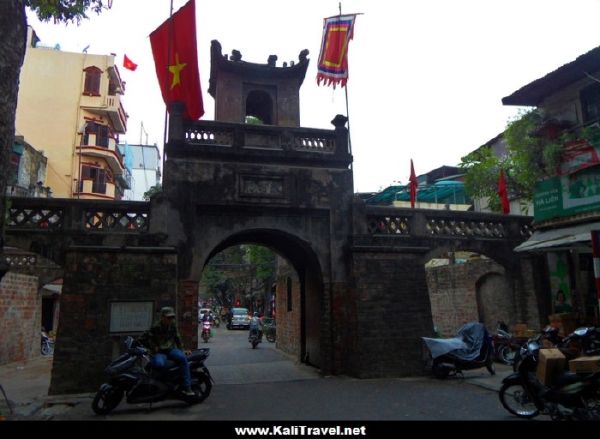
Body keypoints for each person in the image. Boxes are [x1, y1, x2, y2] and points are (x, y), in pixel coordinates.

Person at [141, 306, 195, 396]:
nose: (170, 319)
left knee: (183, 358)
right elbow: (146, 337)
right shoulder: (155, 327)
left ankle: (187, 387)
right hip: (160, 352)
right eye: (168, 317)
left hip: (171, 349)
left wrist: (182, 350)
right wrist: (153, 347)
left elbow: (177, 338)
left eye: (172, 317)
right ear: (162, 317)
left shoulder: (173, 325)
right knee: (159, 364)